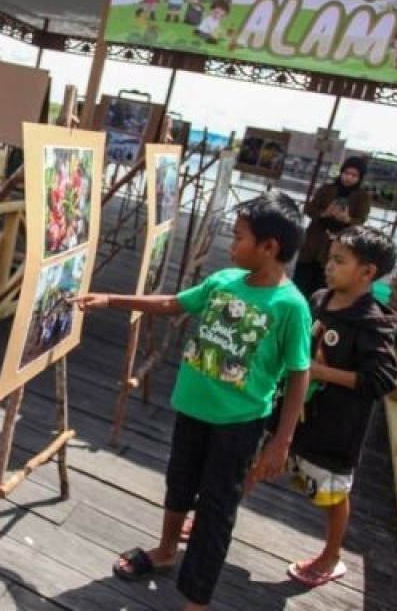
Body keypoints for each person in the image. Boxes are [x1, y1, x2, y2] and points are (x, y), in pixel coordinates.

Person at [75, 191, 313, 611]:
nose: (230, 243)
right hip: (192, 410)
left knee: (217, 509)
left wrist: (282, 441)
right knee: (180, 483)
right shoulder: (223, 282)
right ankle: (167, 550)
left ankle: (196, 599)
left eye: (238, 237)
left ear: (269, 247)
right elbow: (173, 304)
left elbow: (299, 374)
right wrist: (112, 300)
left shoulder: (291, 307)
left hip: (239, 424)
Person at [284, 226, 397, 587]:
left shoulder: (373, 324)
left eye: (339, 261)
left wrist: (322, 372)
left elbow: (382, 380)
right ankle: (211, 517)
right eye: (329, 258)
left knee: (331, 494)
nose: (328, 266)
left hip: (335, 427)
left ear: (367, 272)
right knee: (257, 461)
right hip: (293, 411)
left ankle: (332, 555)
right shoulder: (319, 299)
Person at [293, 156, 372, 300]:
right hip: (314, 243)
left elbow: (361, 220)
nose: (348, 178)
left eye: (354, 175)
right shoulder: (327, 189)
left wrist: (347, 219)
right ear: (341, 172)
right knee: (301, 282)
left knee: (323, 286)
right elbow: (308, 208)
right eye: (346, 173)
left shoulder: (362, 197)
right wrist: (324, 213)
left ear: (360, 178)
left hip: (338, 246)